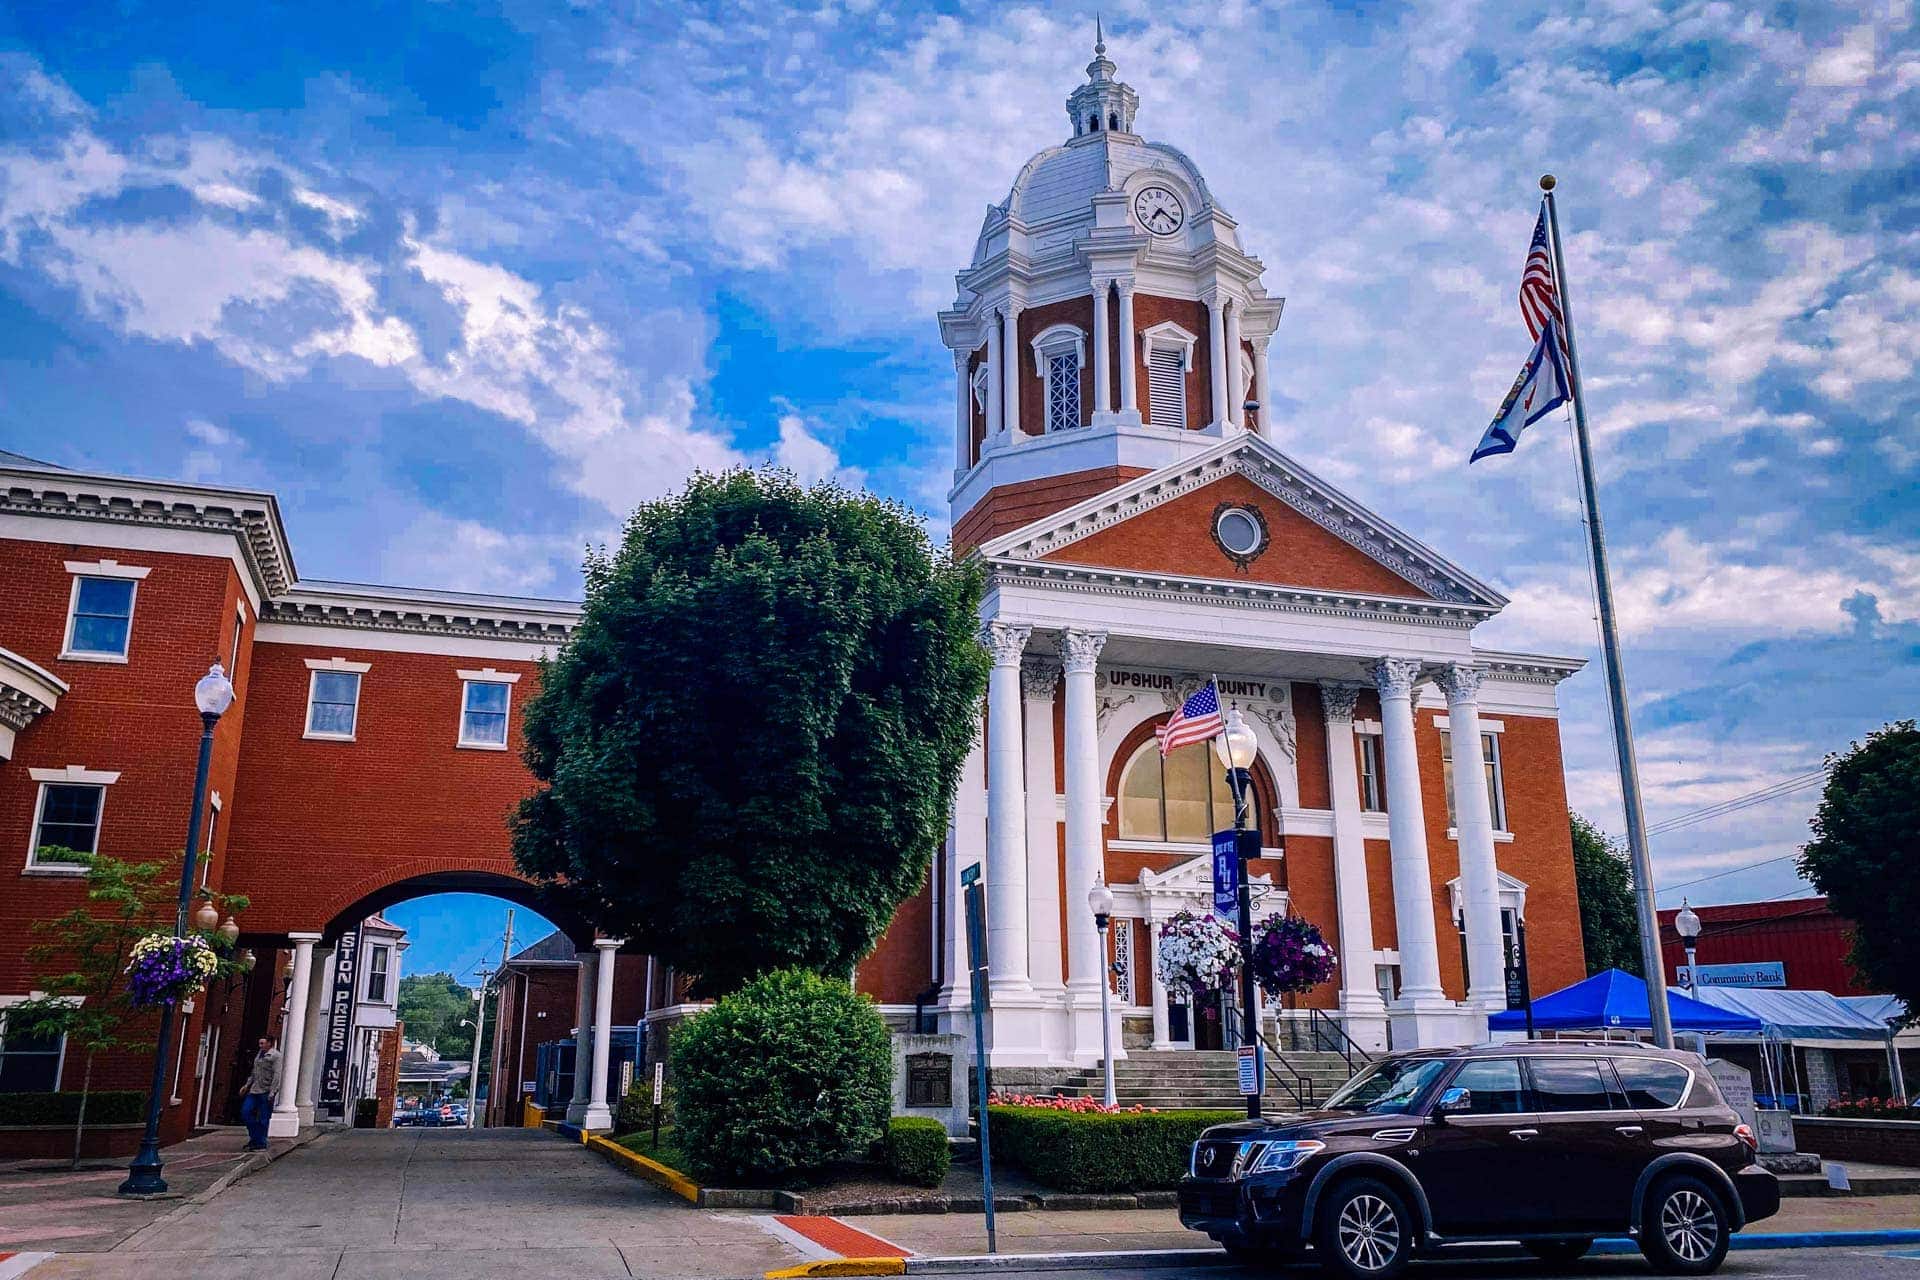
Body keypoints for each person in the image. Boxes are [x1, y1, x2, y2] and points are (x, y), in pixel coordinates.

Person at [241, 1035, 281, 1150]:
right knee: (245, 1112)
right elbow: (254, 1072)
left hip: (265, 1091)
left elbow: (277, 1075)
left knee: (263, 1118)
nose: (260, 1046)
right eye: (260, 1043)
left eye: (262, 1043)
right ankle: (254, 1137)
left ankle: (260, 1142)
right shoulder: (259, 1054)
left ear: (269, 1043)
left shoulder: (275, 1056)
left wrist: (272, 1092)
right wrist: (246, 1085)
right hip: (254, 1090)